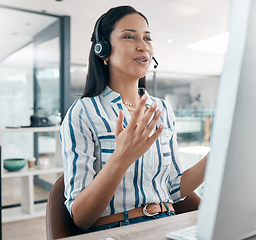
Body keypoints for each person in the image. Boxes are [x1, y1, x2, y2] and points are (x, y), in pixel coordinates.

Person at [60, 5, 208, 233]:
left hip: (168, 224)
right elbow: (81, 217)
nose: (143, 46)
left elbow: (174, 188)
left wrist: (219, 156)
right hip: (116, 229)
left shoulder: (162, 109)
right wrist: (121, 158)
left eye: (147, 38)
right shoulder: (83, 112)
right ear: (104, 50)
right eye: (129, 36)